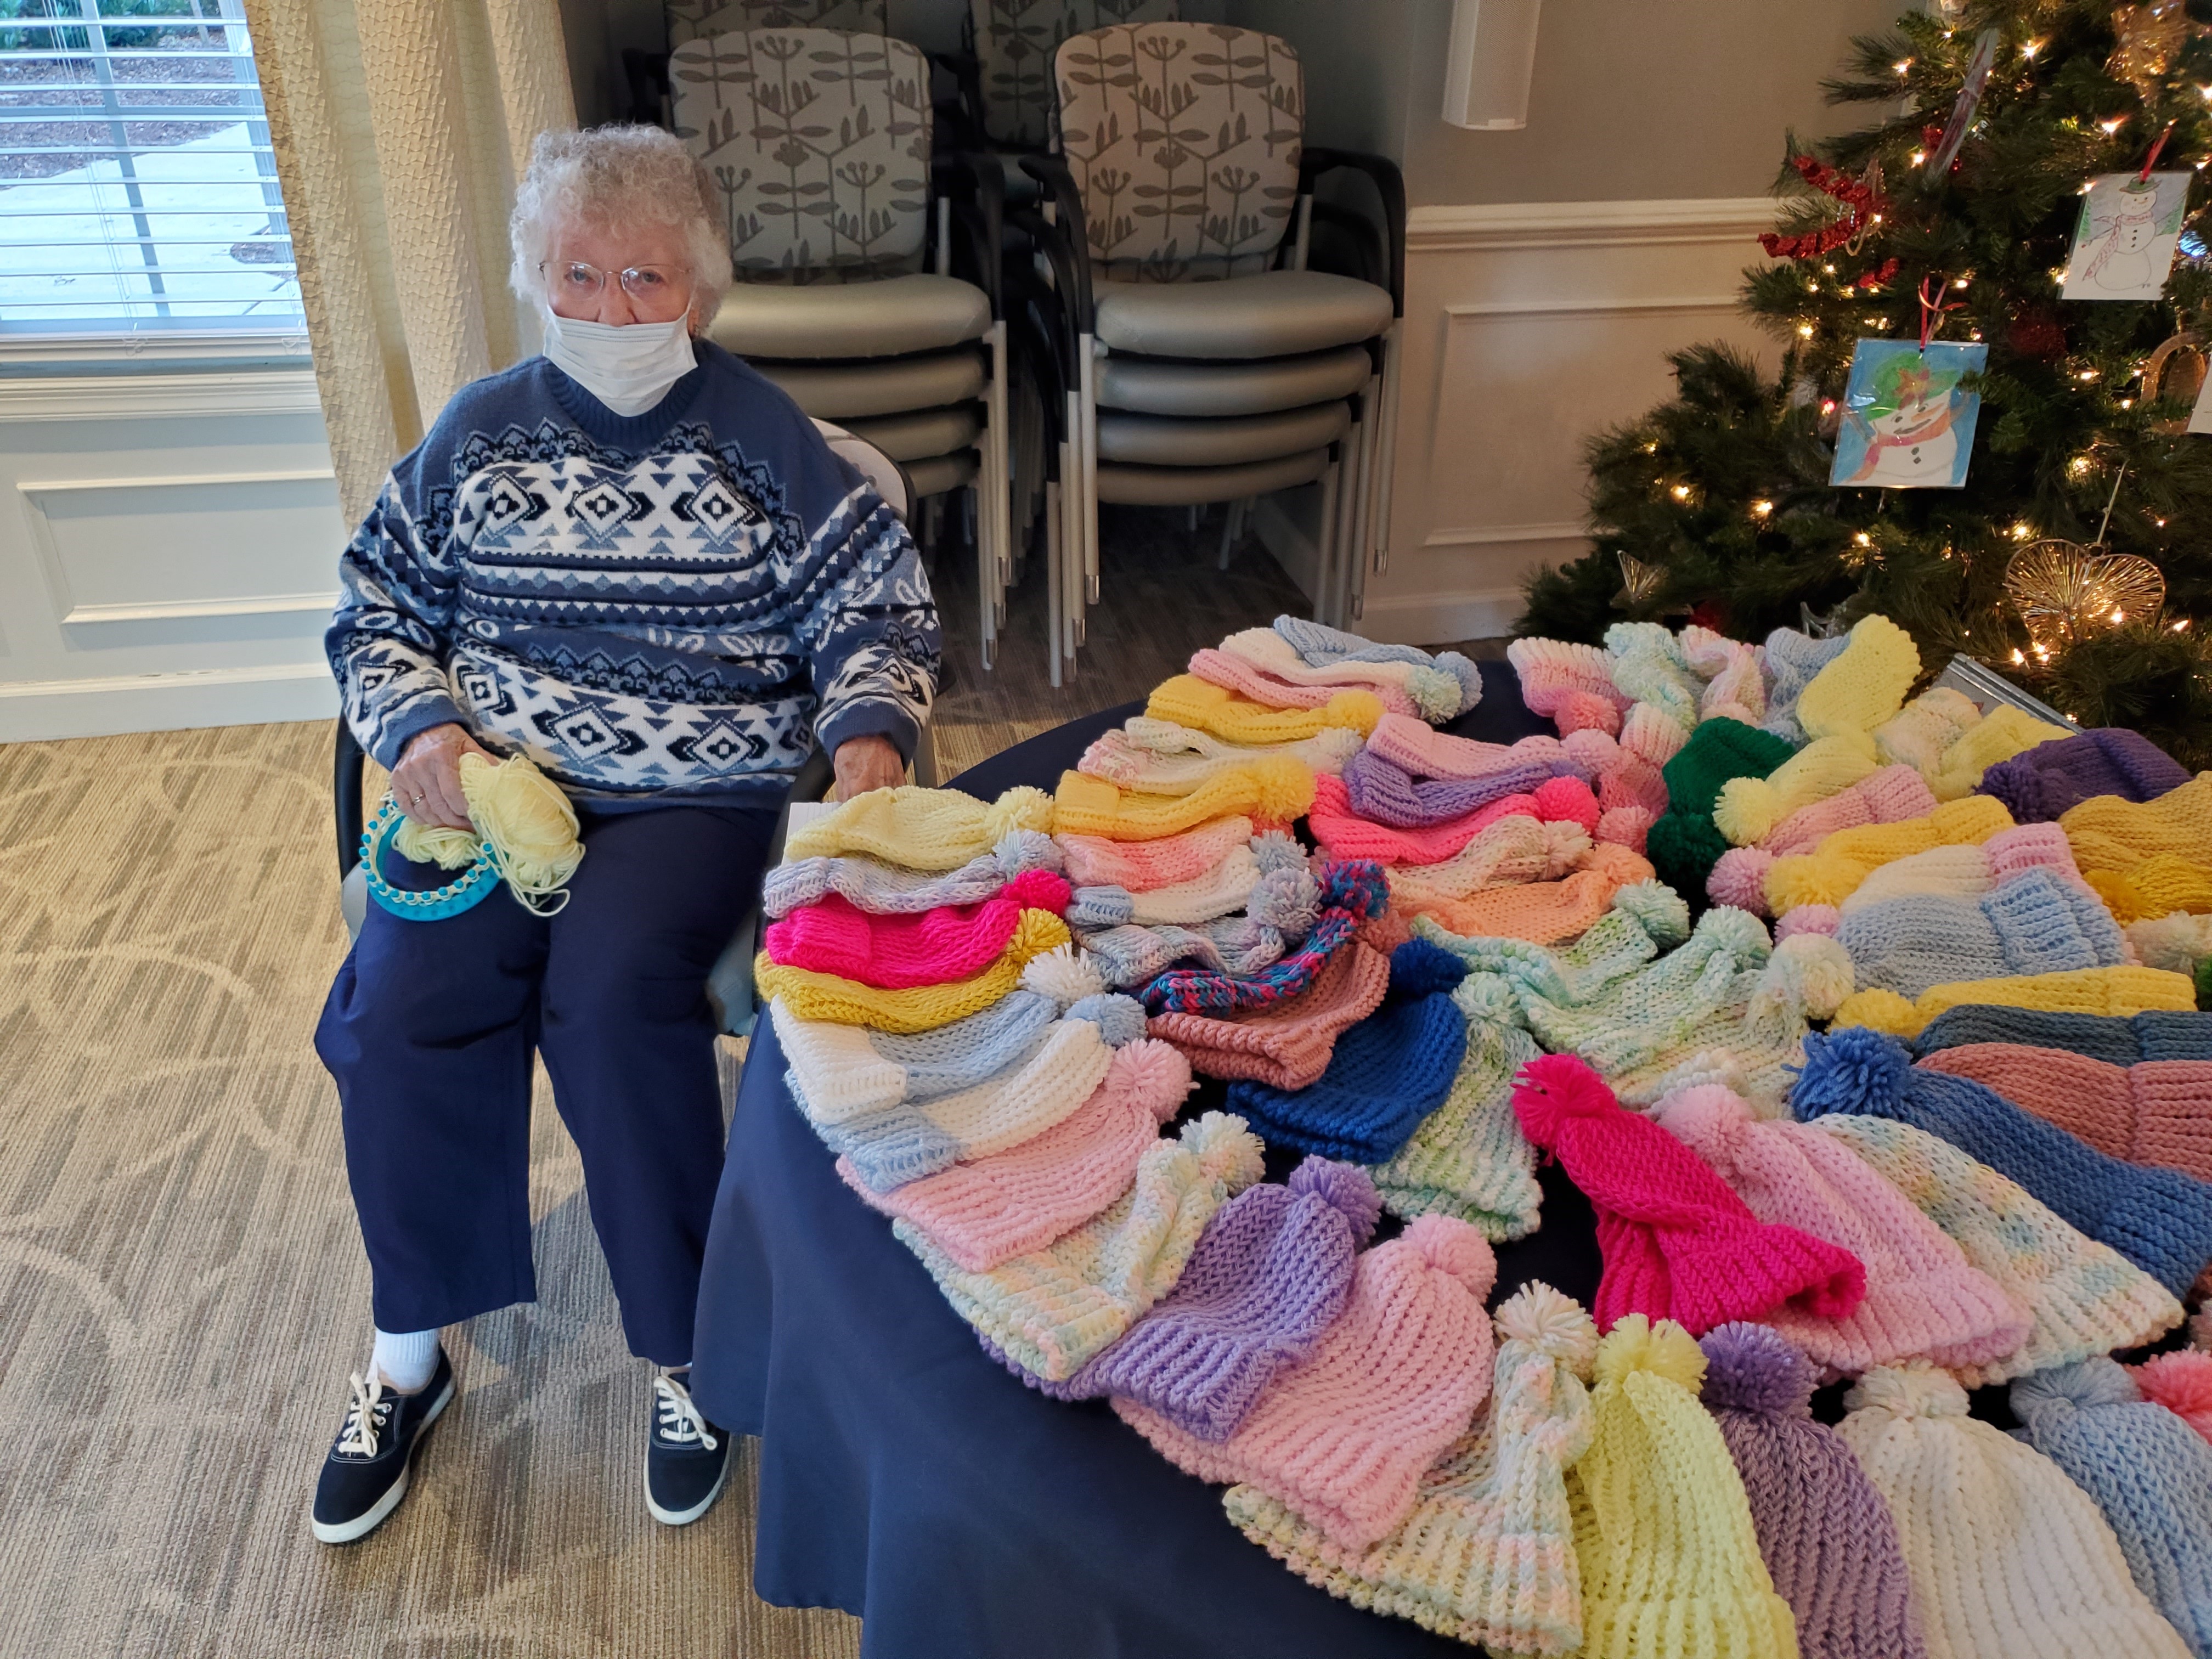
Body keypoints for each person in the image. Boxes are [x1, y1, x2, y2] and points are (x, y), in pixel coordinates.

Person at [309, 125, 939, 1544]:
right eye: (577, 273)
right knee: (402, 1008)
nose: (608, 307)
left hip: (692, 790)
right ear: (537, 277)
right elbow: (371, 603)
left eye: (645, 275)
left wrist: (868, 732)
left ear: (702, 289)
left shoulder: (765, 437)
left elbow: (874, 608)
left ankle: (684, 1353)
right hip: (489, 781)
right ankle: (410, 1352)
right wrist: (418, 728)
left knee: (612, 1004)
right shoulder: (479, 426)